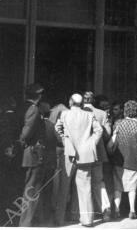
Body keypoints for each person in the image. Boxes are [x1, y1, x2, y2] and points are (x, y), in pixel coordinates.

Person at [55, 93, 103, 227]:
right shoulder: (88, 115)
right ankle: (86, 219)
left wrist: (65, 141)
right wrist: (91, 143)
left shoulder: (64, 114)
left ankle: (59, 218)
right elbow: (99, 131)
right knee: (84, 187)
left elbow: (57, 128)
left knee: (64, 188)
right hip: (86, 154)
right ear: (81, 103)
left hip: (69, 153)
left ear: (70, 102)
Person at [18, 83, 46, 227]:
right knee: (31, 190)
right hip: (32, 154)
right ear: (39, 96)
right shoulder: (34, 109)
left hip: (26, 154)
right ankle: (25, 224)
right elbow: (26, 133)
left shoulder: (22, 107)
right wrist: (21, 144)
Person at [111, 100, 137, 219]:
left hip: (119, 159)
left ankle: (116, 209)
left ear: (125, 111)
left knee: (117, 186)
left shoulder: (118, 123)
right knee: (132, 186)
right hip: (133, 159)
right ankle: (132, 210)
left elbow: (114, 140)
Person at [83, 91, 112, 221]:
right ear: (93, 100)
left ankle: (82, 213)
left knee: (82, 182)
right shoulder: (102, 113)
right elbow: (107, 135)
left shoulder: (76, 112)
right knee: (98, 182)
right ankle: (105, 208)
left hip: (81, 153)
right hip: (97, 153)